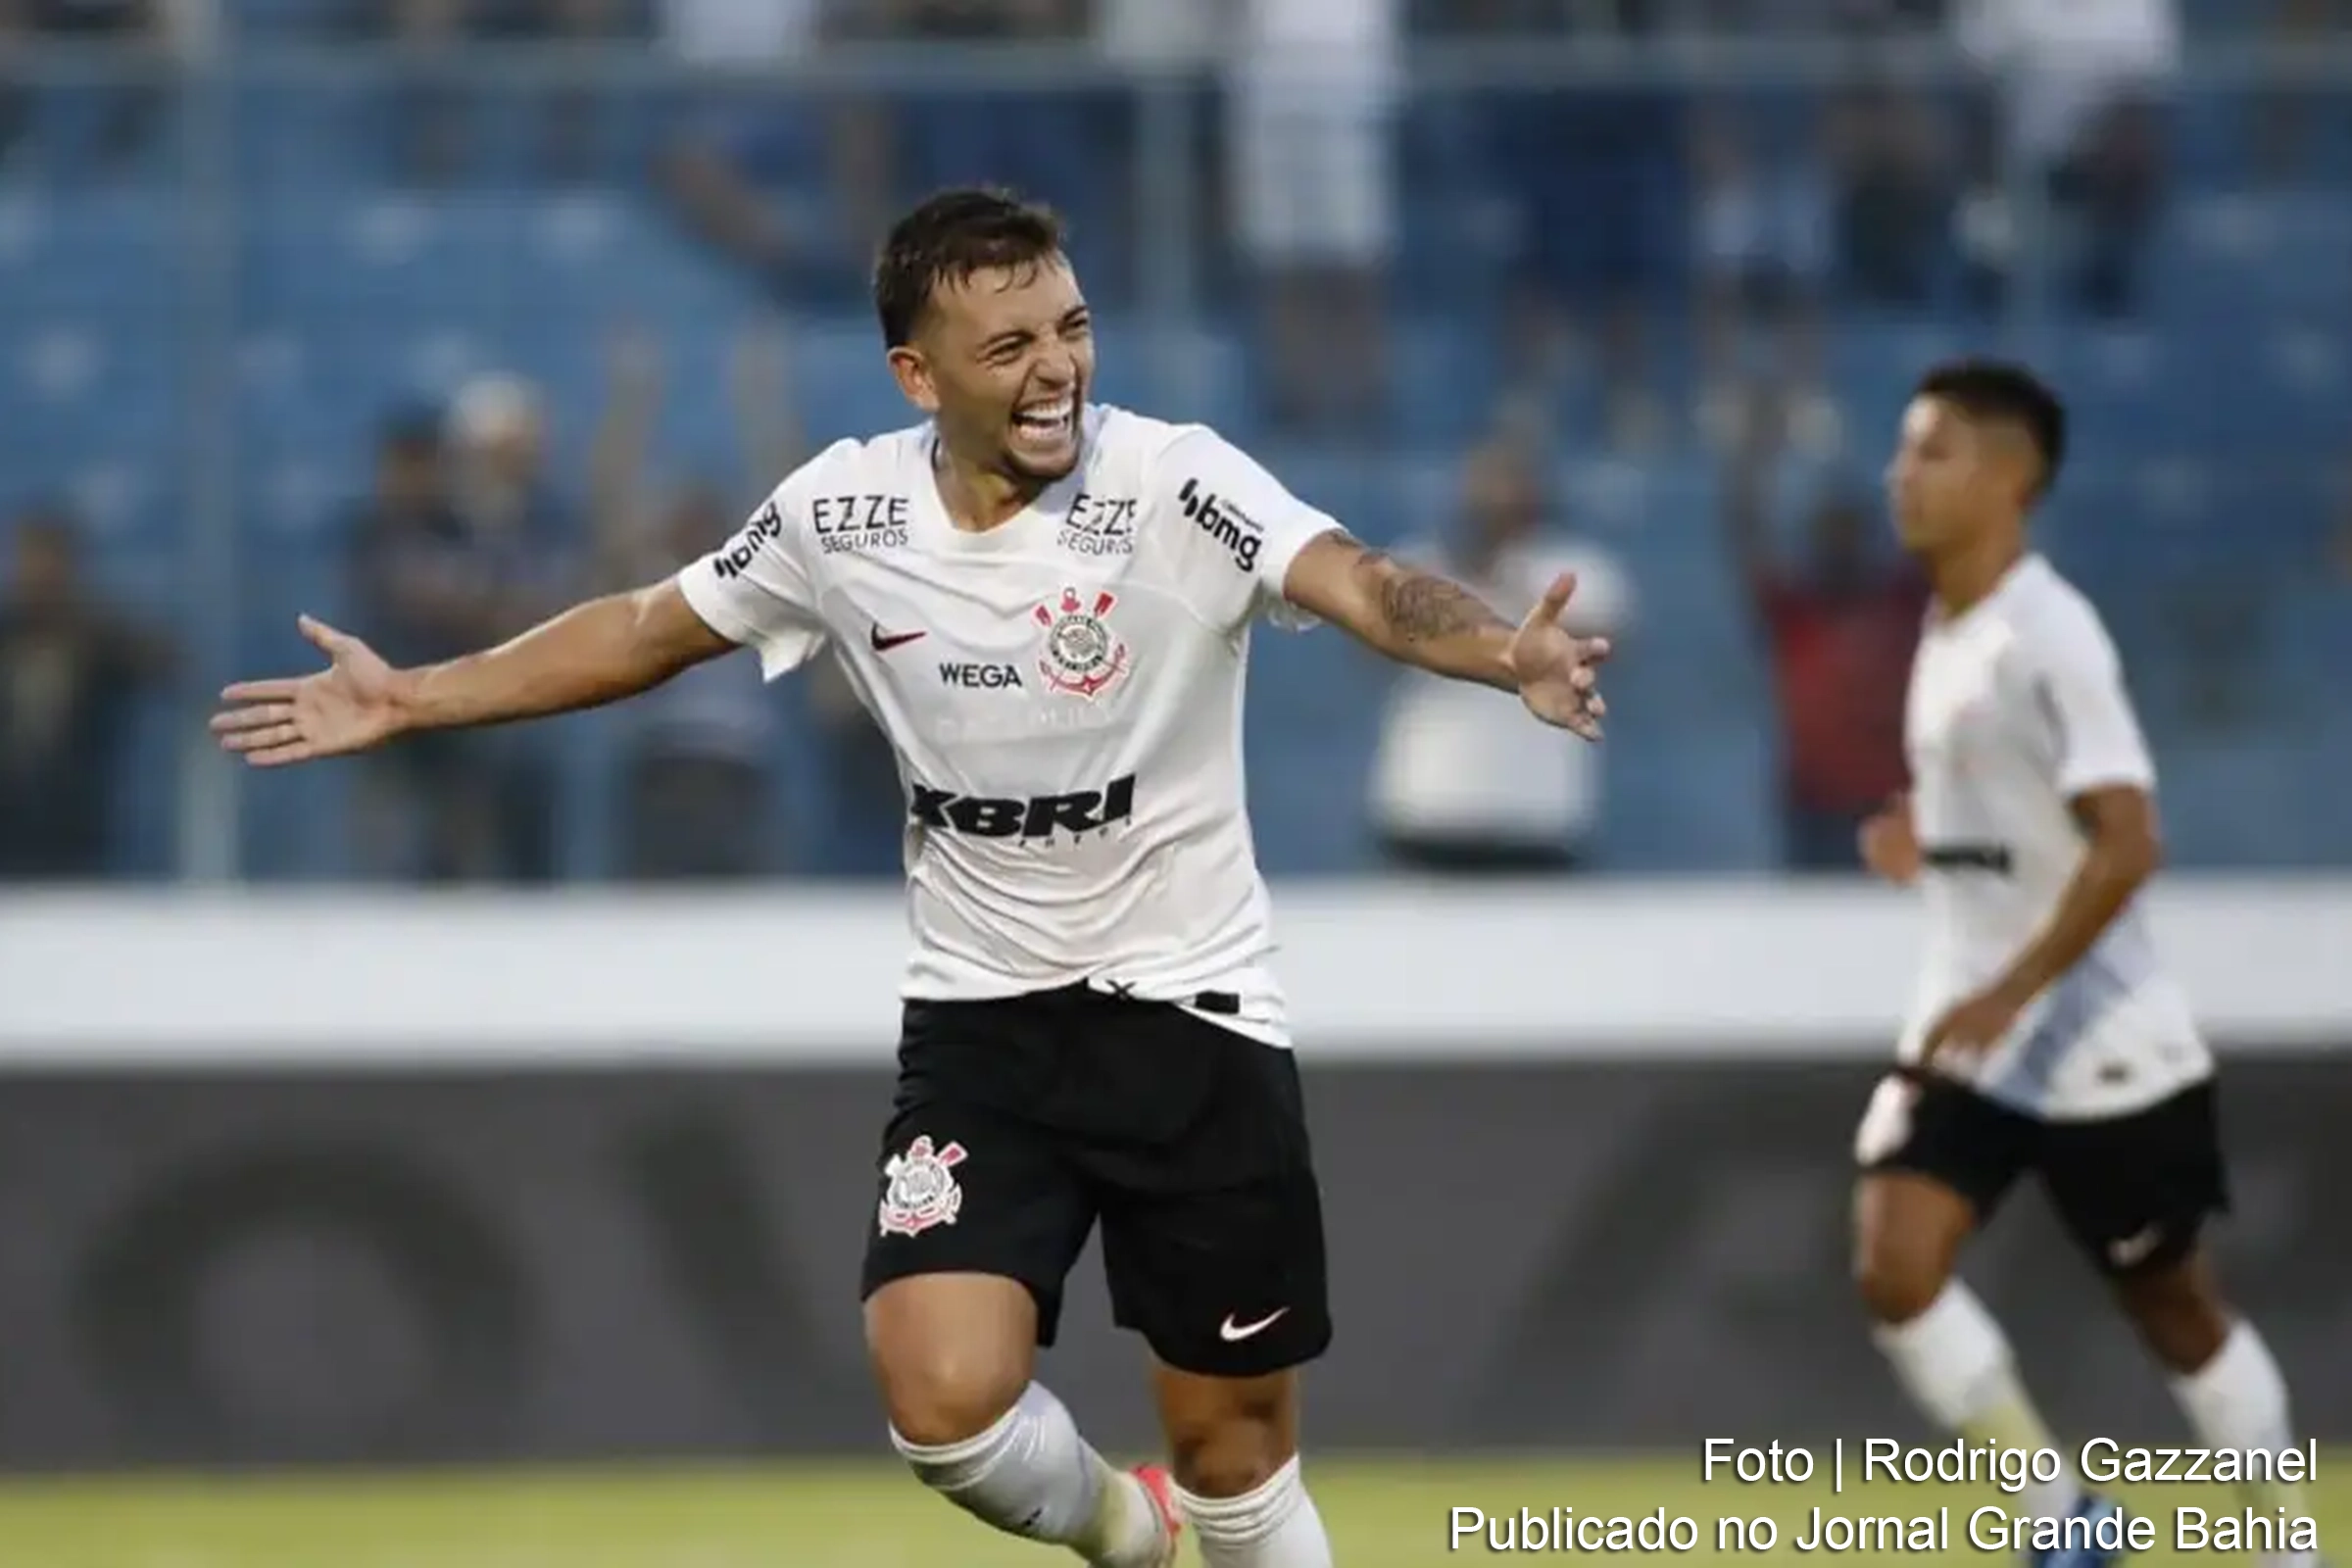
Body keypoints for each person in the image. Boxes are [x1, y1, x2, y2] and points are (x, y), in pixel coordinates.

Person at [211, 186, 1610, 1568]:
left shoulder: (1177, 482)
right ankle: (1128, 1536)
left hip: (1191, 1014)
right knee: (942, 1406)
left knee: (1237, 1463)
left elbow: (1363, 581)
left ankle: (1196, 1521)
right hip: (983, 1026)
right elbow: (648, 629)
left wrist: (1508, 652)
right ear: (916, 374)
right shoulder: (843, 513)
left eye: (1070, 326)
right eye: (1008, 349)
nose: (1057, 368)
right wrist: (415, 700)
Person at [1854, 360, 2321, 1568]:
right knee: (1896, 1266)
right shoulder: (1949, 626)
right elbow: (2019, 825)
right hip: (1974, 1031)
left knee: (2175, 1307)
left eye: (1934, 450)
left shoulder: (2048, 634)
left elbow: (2128, 840)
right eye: (1905, 449)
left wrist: (2017, 984)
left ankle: (2287, 1547)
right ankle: (2060, 1518)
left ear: (2014, 478)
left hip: (2094, 1036)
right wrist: (1933, 848)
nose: (1902, 473)